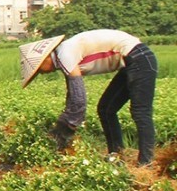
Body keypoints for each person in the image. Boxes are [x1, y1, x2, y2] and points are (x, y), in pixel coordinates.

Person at [19, 29, 157, 165]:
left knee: (140, 111)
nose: (41, 73)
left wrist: (64, 129)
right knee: (106, 109)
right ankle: (116, 155)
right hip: (131, 61)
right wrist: (68, 120)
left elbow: (79, 100)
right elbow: (72, 96)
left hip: (139, 58)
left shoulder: (65, 55)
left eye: (38, 69)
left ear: (45, 58)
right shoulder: (65, 55)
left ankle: (146, 161)